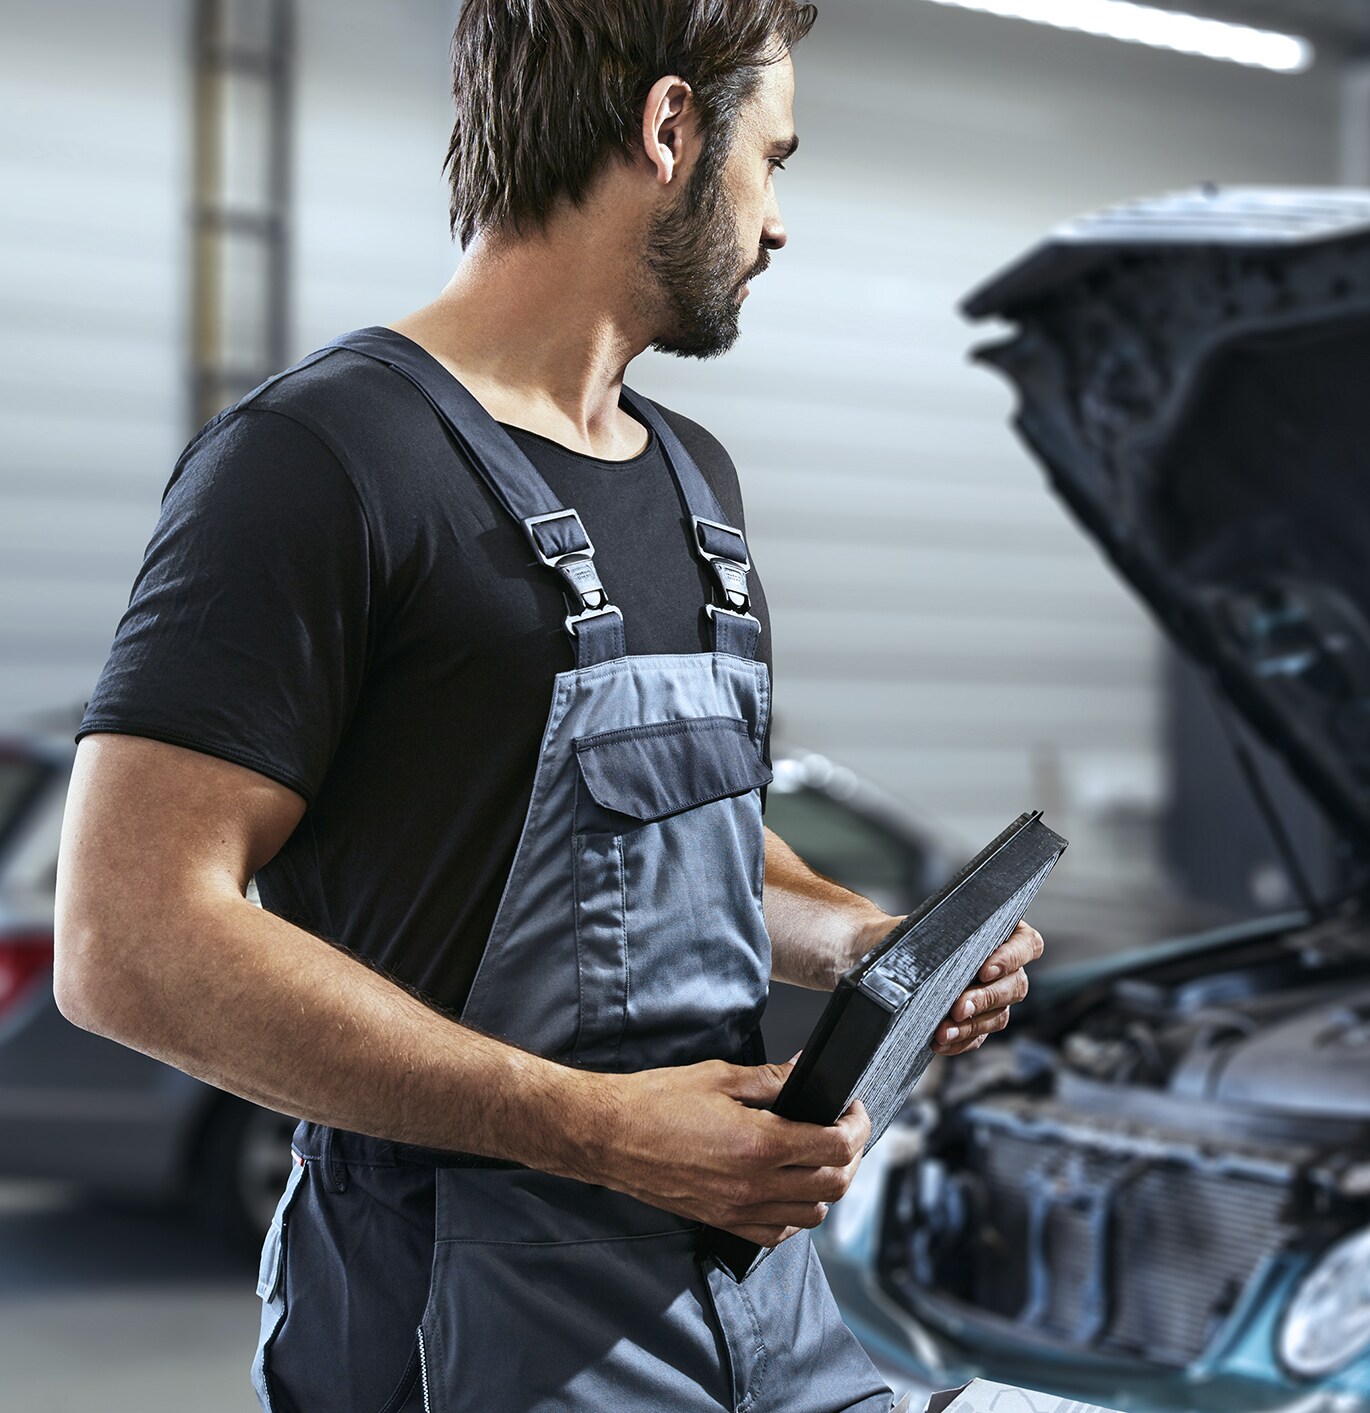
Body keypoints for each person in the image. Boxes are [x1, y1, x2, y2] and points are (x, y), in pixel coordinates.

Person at [52, 2, 1044, 1409]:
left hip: (754, 1299)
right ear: (668, 129)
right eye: (777, 158)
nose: (778, 225)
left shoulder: (698, 484)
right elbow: (125, 938)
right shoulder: (315, 461)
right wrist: (598, 1128)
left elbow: (702, 857)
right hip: (461, 1321)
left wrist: (876, 949)